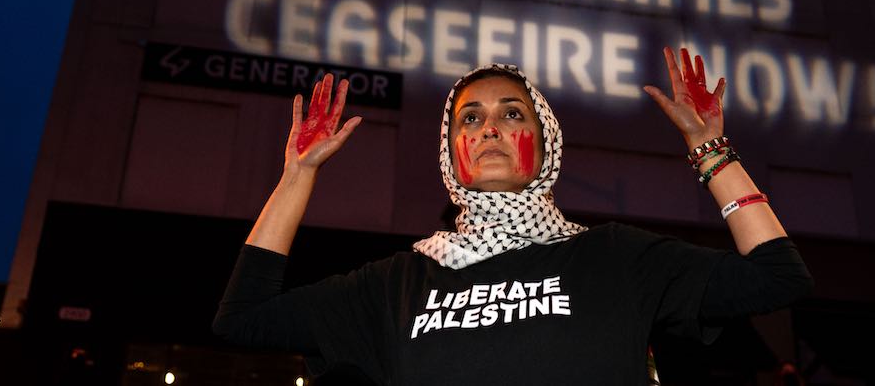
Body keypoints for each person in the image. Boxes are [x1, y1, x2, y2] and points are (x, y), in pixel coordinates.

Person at [213, 46, 813, 384]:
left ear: (545, 139)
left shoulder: (613, 258)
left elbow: (777, 275)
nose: (490, 128)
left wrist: (711, 151)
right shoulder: (396, 285)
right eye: (468, 119)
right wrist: (298, 176)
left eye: (512, 114)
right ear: (451, 152)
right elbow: (243, 320)